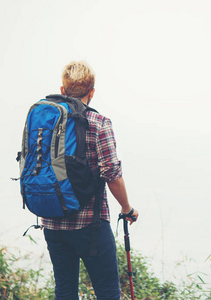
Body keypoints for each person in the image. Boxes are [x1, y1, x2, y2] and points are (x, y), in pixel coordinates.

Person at [42, 60, 139, 300]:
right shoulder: (99, 123)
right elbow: (112, 175)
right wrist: (127, 208)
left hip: (52, 222)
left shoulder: (45, 120)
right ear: (92, 92)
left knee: (64, 290)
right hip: (90, 224)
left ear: (62, 90)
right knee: (107, 291)